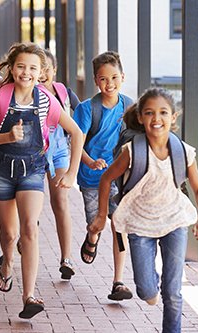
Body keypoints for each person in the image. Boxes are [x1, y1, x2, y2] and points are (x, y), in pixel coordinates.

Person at [88, 87, 198, 333]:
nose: (157, 119)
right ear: (141, 118)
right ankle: (150, 287)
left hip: (174, 221)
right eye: (150, 113)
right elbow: (105, 180)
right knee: (146, 289)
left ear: (174, 117)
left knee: (173, 292)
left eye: (163, 113)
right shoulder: (132, 151)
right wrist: (101, 216)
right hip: (140, 224)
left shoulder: (183, 152)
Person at [0, 42, 83, 319]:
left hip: (33, 169)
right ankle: (7, 261)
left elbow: (77, 132)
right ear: (12, 68)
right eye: (21, 66)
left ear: (41, 72)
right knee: (10, 235)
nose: (27, 72)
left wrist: (71, 173)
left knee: (30, 230)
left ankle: (29, 295)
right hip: (2, 170)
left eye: (33, 68)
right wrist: (7, 137)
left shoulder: (46, 101)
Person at [72, 51, 134, 301]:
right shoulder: (88, 109)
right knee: (96, 223)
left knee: (119, 226)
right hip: (91, 179)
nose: (109, 84)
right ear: (96, 81)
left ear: (122, 77)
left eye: (114, 77)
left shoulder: (129, 106)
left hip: (118, 178)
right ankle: (91, 237)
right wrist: (90, 161)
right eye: (103, 79)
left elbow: (135, 139)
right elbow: (76, 143)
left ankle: (118, 281)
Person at [39, 48, 80, 280]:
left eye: (48, 68)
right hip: (34, 152)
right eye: (39, 67)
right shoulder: (27, 92)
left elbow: (82, 116)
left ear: (55, 70)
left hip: (59, 152)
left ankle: (66, 258)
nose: (43, 73)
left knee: (60, 201)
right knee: (30, 202)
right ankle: (26, 235)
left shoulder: (63, 92)